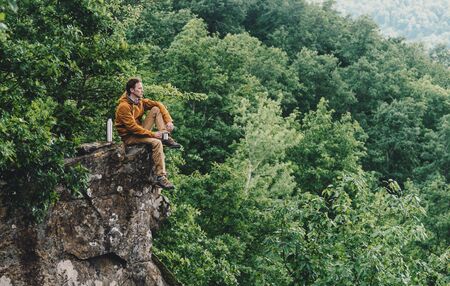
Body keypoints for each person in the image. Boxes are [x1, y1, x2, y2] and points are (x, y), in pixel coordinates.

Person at [115, 77, 181, 190]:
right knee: (156, 143)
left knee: (155, 109)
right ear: (132, 90)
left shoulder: (139, 101)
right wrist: (153, 134)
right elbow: (133, 128)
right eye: (140, 88)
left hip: (139, 131)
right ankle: (160, 177)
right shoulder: (124, 107)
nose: (142, 90)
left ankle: (165, 137)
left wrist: (168, 120)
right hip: (130, 136)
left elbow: (159, 104)